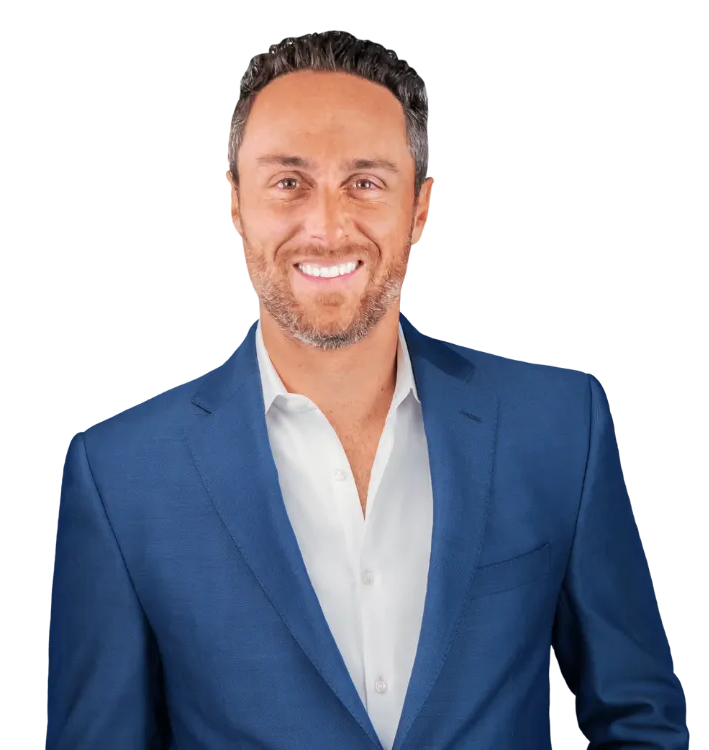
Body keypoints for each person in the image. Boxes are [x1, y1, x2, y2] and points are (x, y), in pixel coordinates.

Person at [46, 31, 688, 749]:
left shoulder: (559, 427)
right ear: (235, 203)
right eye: (288, 183)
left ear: (420, 208)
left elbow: (638, 721)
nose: (326, 228)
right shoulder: (120, 476)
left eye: (365, 182)